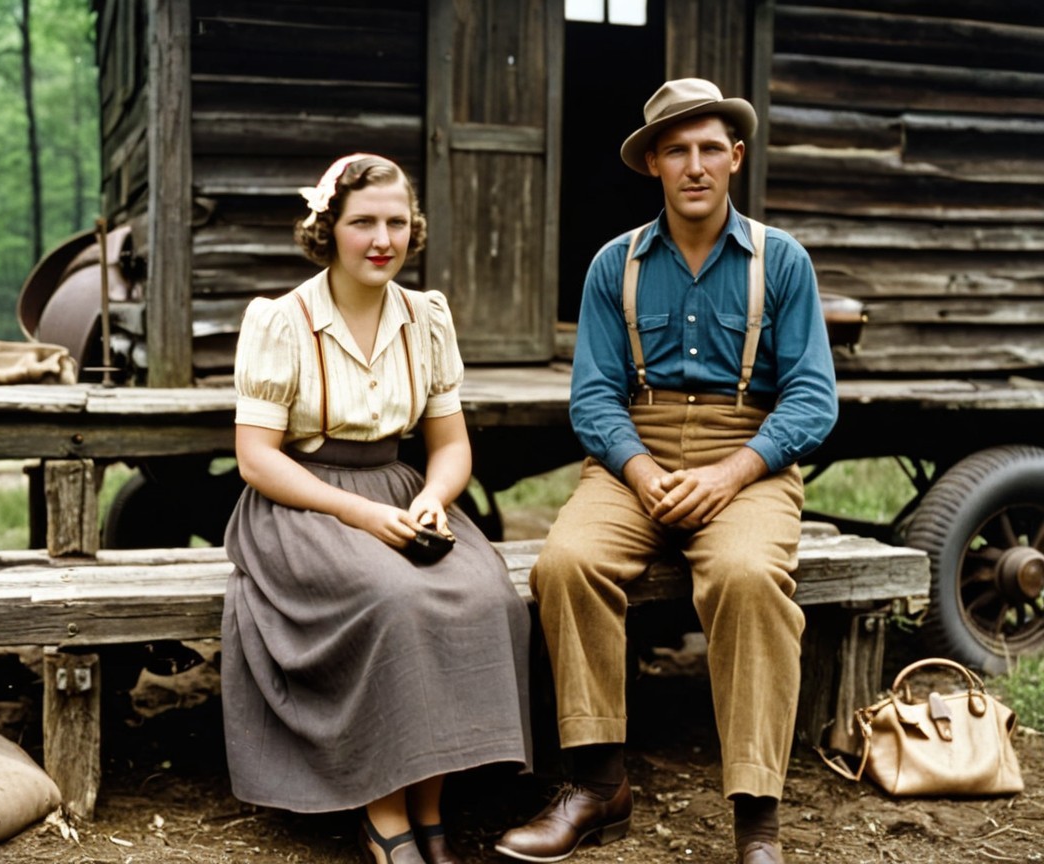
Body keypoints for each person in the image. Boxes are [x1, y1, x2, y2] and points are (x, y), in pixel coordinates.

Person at [494, 79, 838, 864]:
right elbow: (593, 395)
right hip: (635, 453)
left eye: (710, 148)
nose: (695, 165)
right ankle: (597, 786)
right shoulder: (614, 264)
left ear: (736, 158)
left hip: (746, 452)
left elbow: (813, 399)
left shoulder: (781, 262)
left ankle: (757, 823)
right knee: (567, 563)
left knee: (748, 577)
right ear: (653, 163)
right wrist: (641, 471)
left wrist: (731, 473)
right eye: (676, 150)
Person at [221, 153, 533, 864]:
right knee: (395, 599)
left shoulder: (426, 317)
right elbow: (257, 459)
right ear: (328, 228)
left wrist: (432, 498)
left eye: (396, 222)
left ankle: (431, 805)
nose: (382, 240)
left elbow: (450, 445)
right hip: (302, 503)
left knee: (488, 596)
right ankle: (384, 813)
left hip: (397, 491)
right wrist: (359, 516)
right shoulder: (283, 321)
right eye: (363, 222)